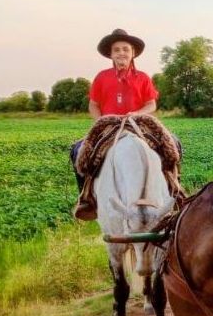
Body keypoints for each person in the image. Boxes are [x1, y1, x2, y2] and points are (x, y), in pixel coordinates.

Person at [70, 28, 163, 220]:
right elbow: (93, 104)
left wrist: (137, 114)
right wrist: (101, 122)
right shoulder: (101, 77)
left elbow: (151, 104)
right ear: (111, 54)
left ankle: (174, 190)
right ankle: (87, 199)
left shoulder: (143, 77)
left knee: (173, 144)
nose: (121, 53)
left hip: (137, 125)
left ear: (133, 53)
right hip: (109, 127)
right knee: (78, 150)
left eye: (125, 49)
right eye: (117, 50)